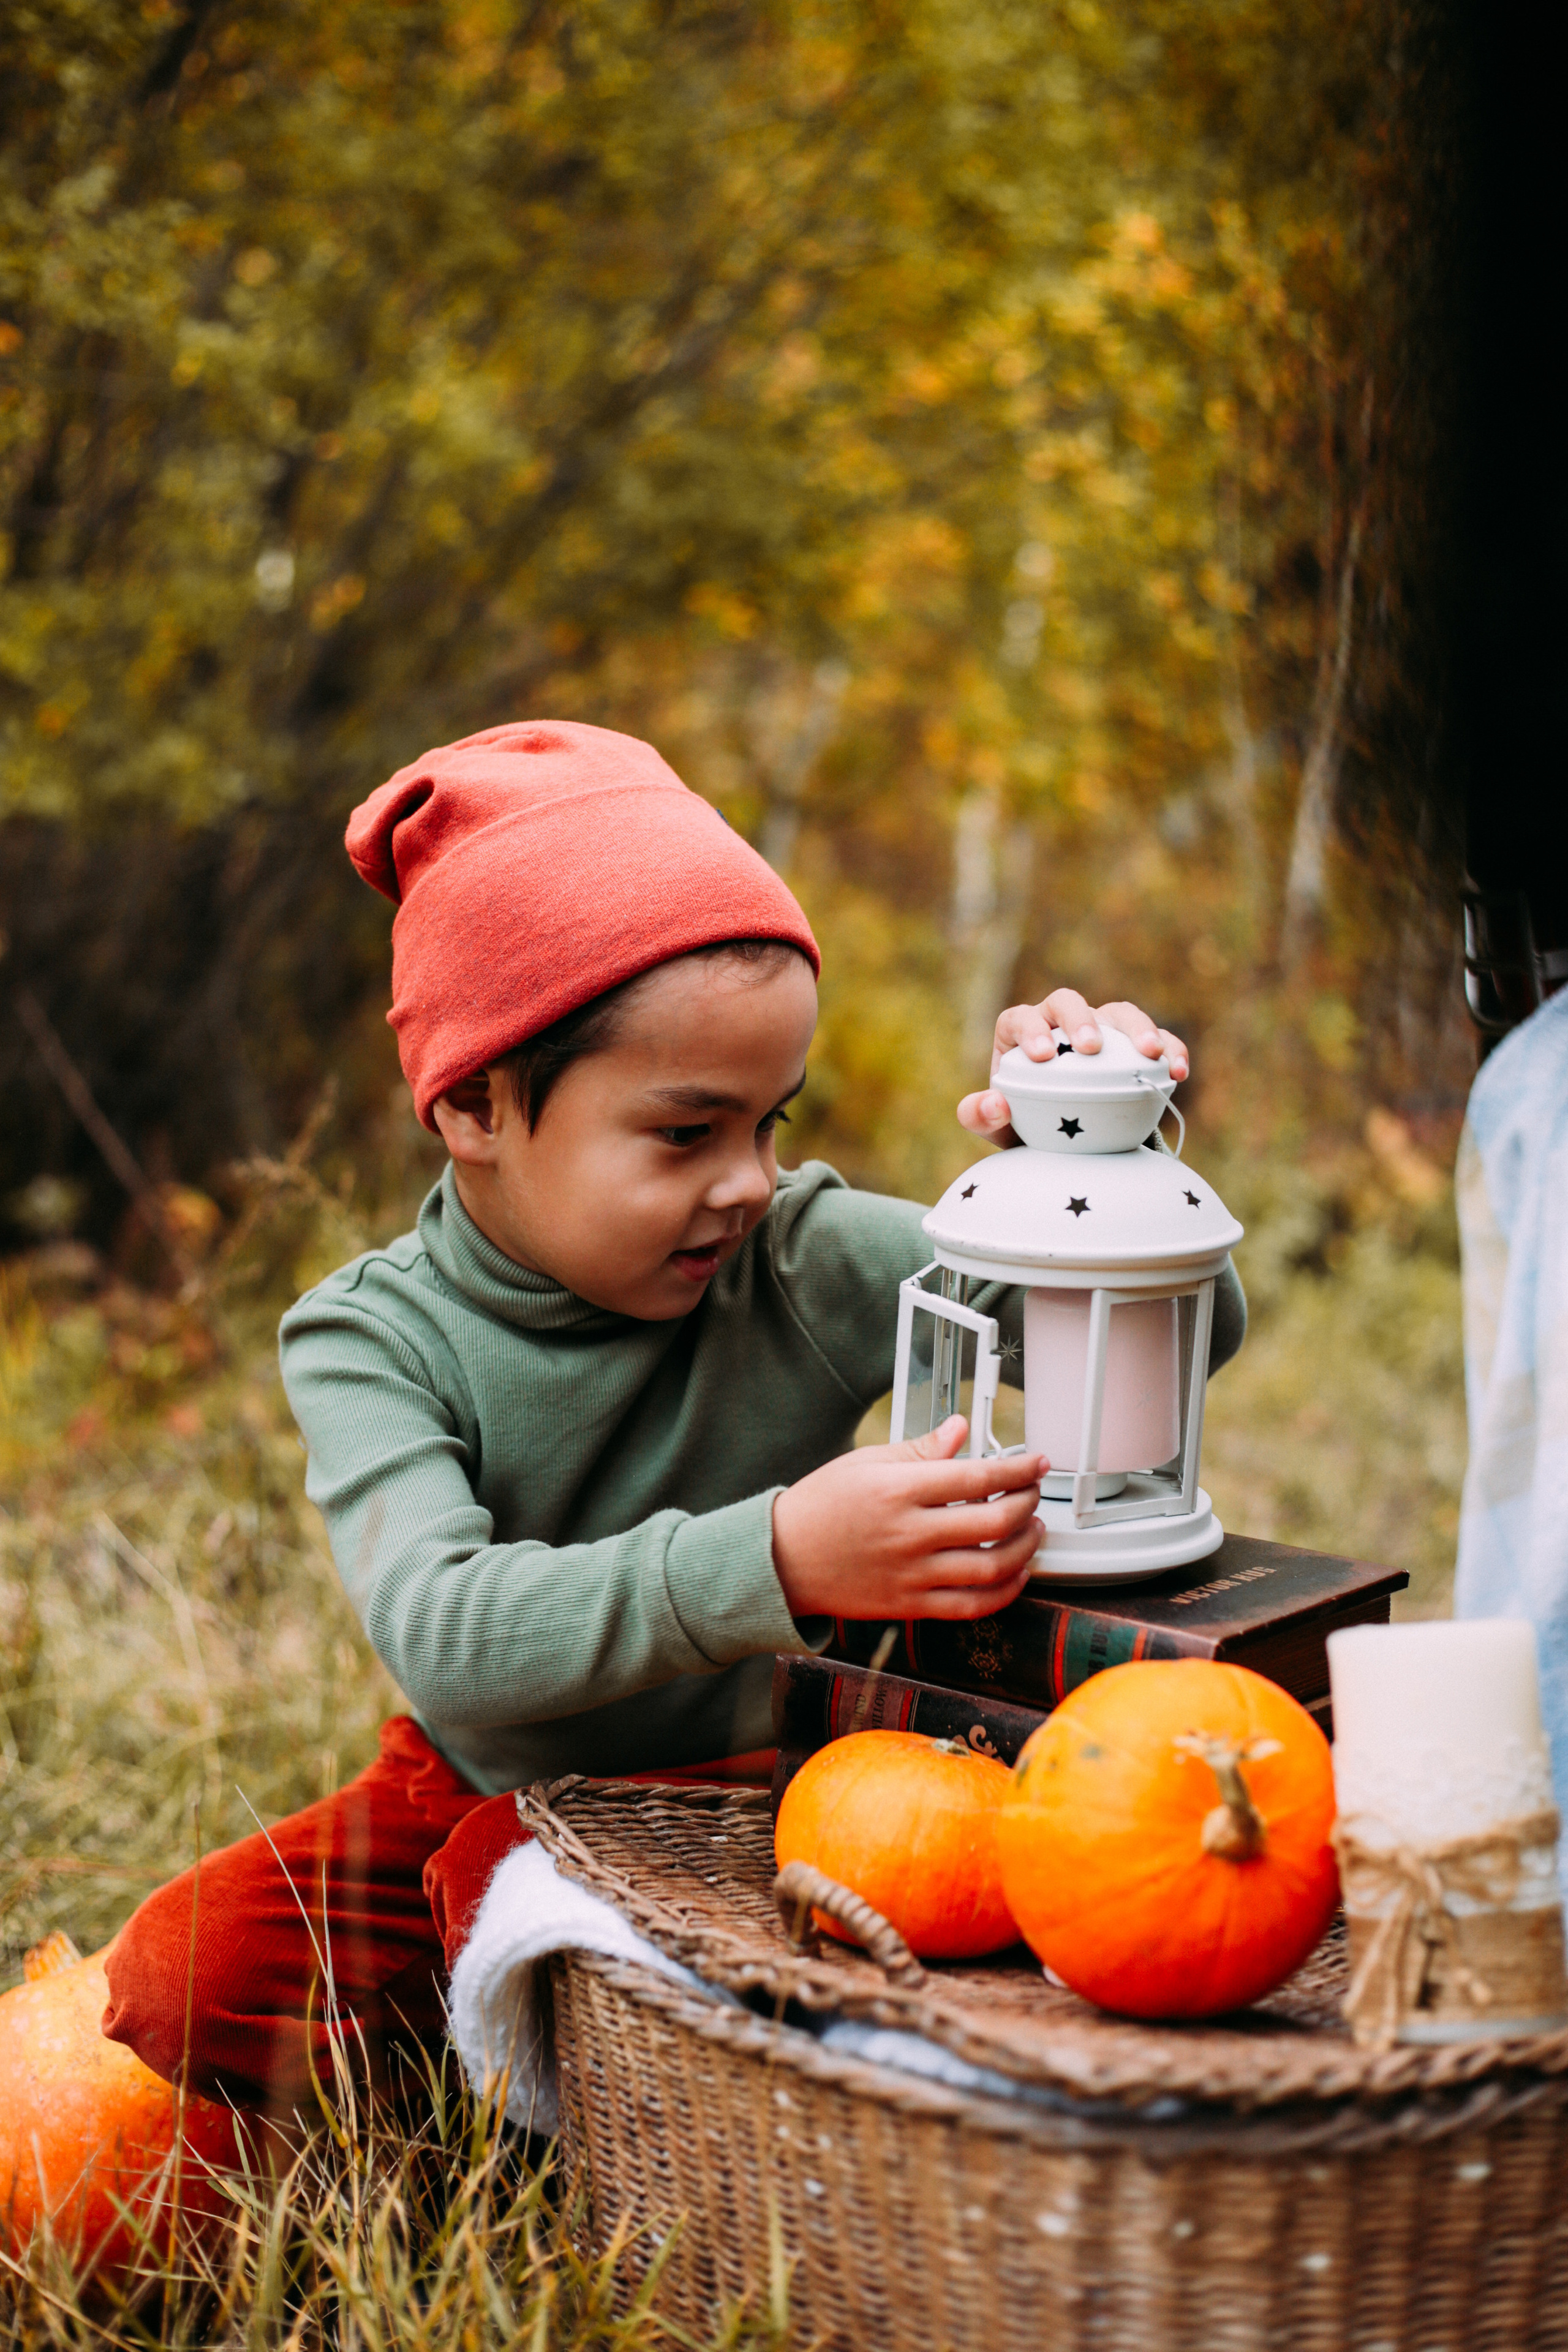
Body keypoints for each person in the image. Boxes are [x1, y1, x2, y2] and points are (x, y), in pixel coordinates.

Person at [102, 719, 1243, 2116]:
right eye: (684, 1132)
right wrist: (776, 1560)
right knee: (187, 1974)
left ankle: (609, 2129)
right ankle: (446, 2104)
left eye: (770, 1123)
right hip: (481, 1769)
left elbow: (1192, 1342)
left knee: (503, 1892)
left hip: (779, 1781)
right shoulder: (372, 1338)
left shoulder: (799, 1255)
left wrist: (1079, 1168)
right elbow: (449, 1639)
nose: (749, 1180)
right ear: (472, 1105)